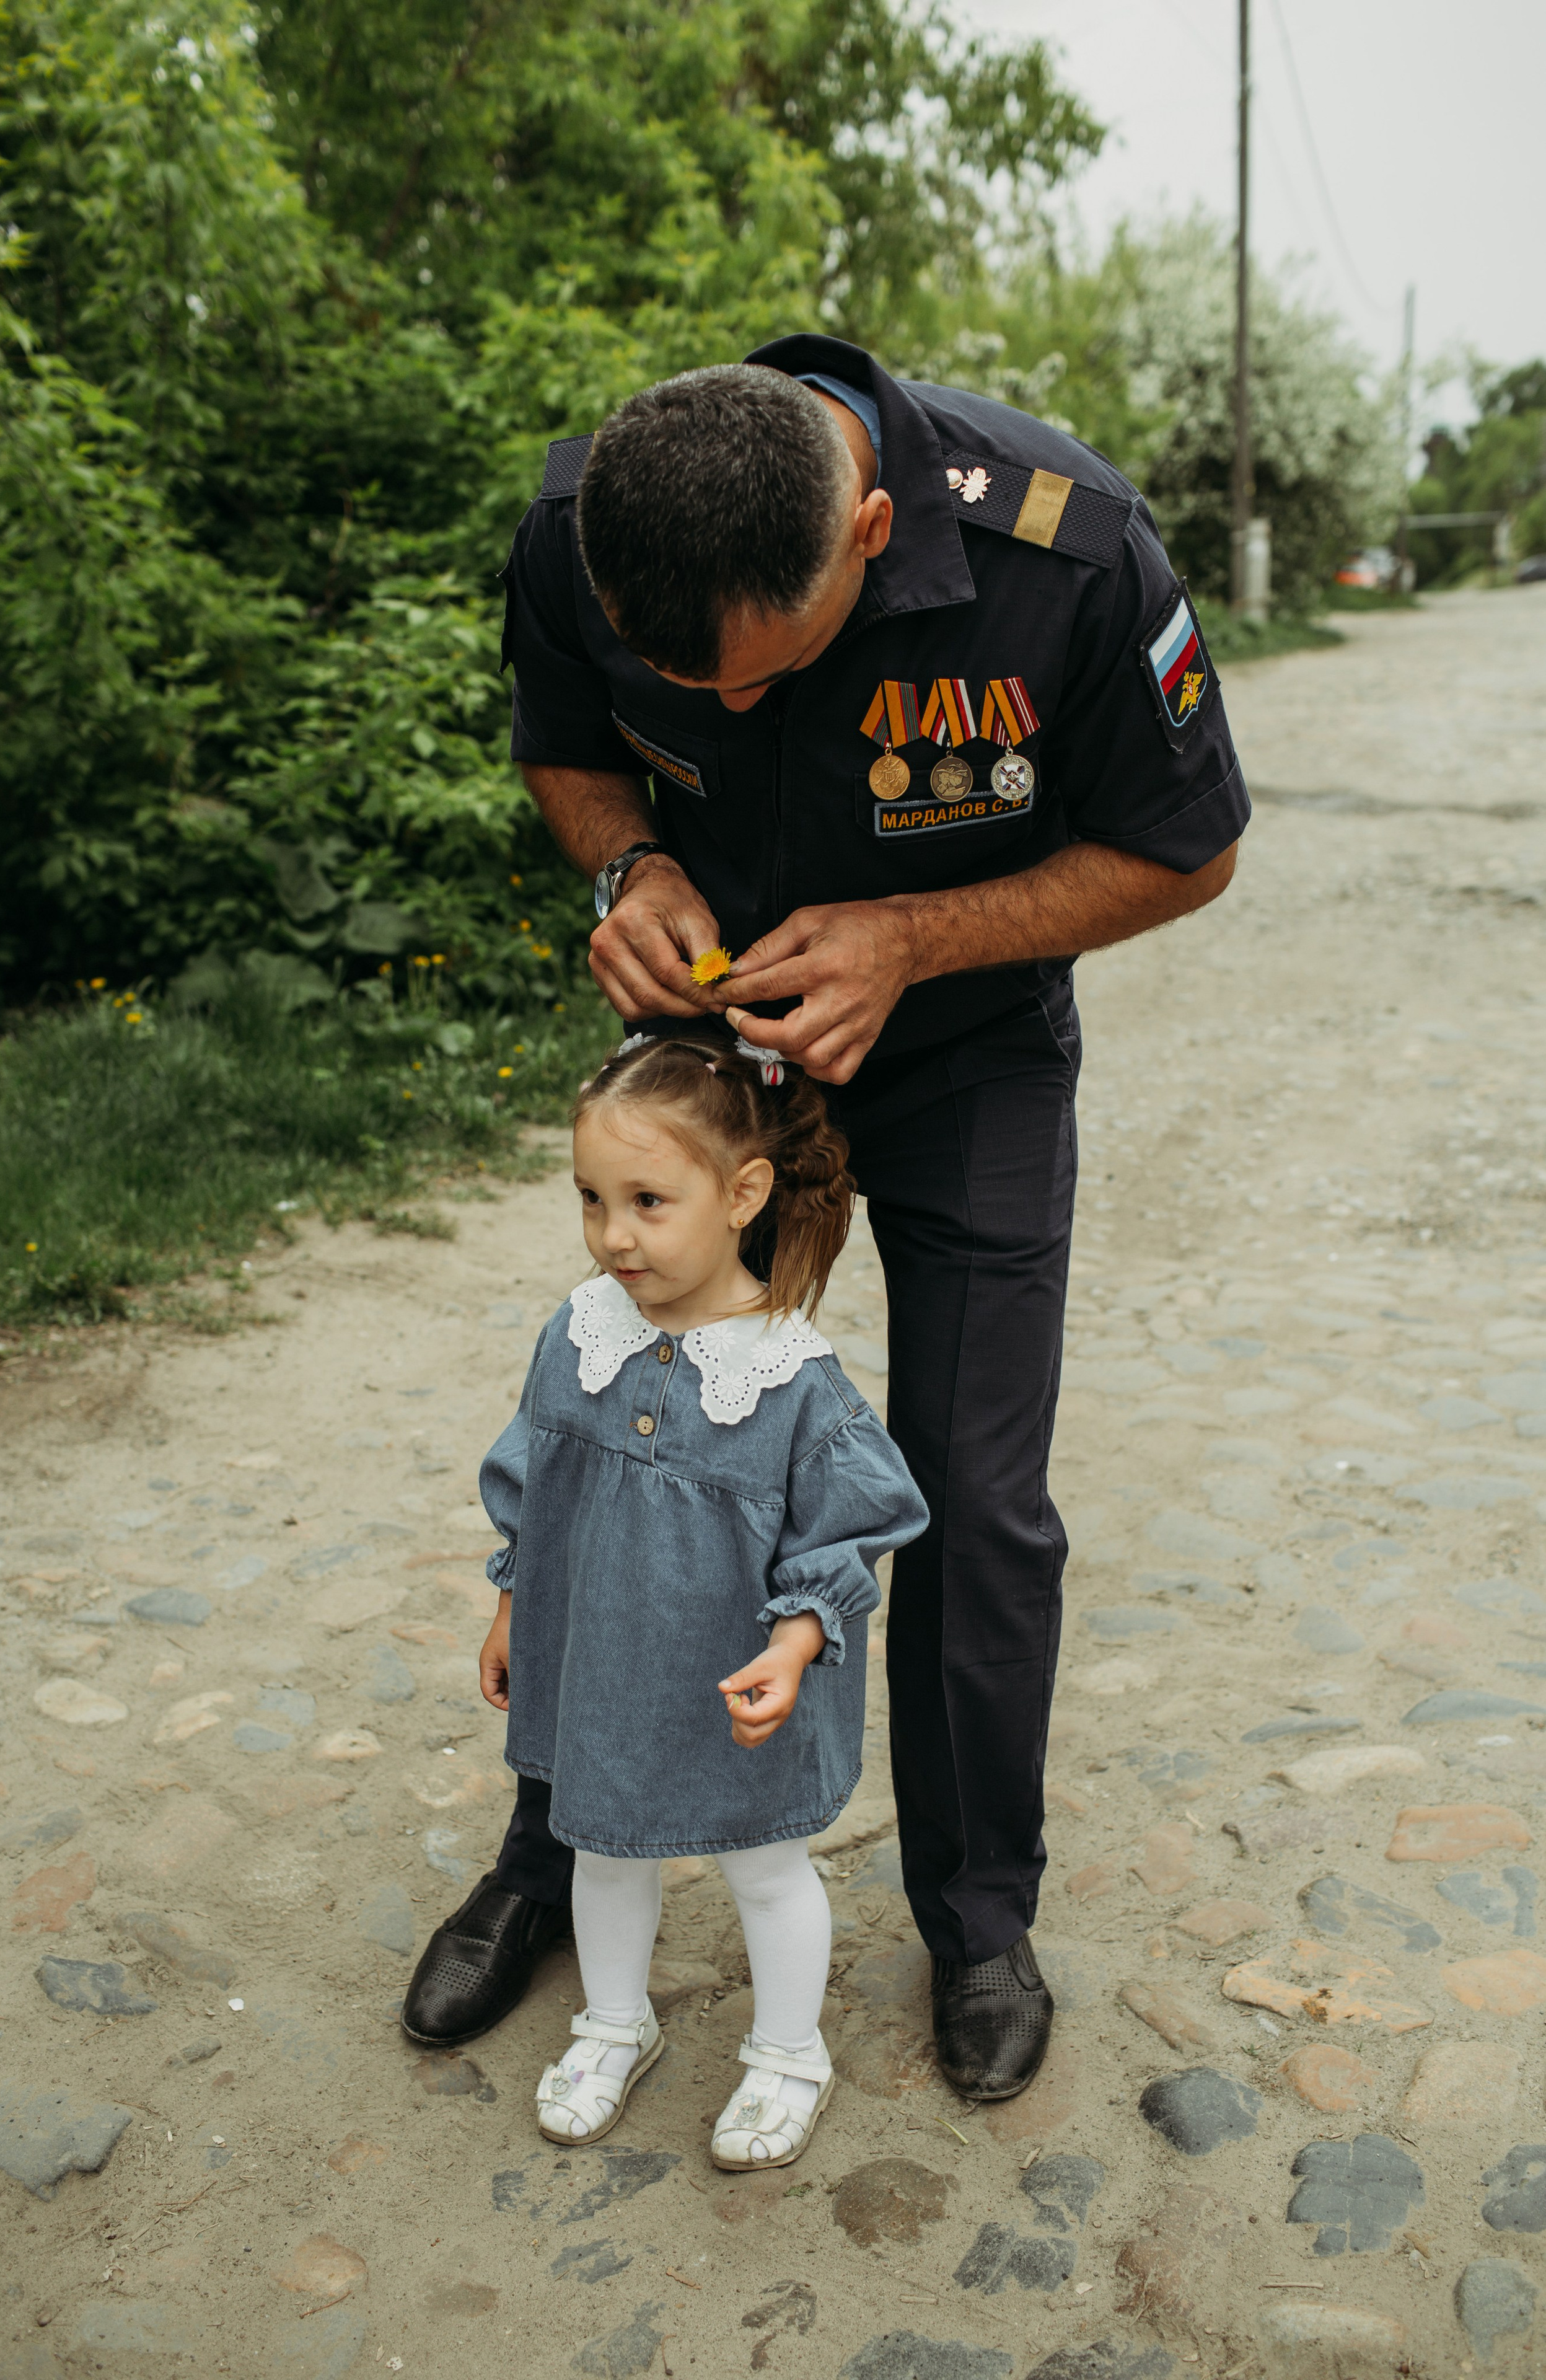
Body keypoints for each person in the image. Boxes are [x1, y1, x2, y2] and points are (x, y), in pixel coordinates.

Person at [404, 334, 1247, 2099]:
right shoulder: (581, 526)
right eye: (678, 684)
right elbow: (569, 752)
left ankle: (978, 1916)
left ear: (868, 532)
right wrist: (630, 862)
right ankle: (554, 1852)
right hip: (708, 1056)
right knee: (613, 1447)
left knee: (971, 1495)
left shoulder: (1070, 558)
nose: (717, 719)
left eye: (759, 676)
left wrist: (912, 939)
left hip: (963, 1051)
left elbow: (1188, 847)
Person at [472, 1018, 926, 2166]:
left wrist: (795, 1644)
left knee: (764, 1867)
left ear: (743, 1194)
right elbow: (538, 1482)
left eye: (647, 1202)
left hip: (739, 1678)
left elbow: (853, 1529)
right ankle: (613, 2024)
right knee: (604, 1845)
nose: (613, 1235)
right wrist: (514, 1602)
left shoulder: (789, 1379)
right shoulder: (581, 1332)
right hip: (604, 1663)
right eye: (591, 1200)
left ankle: (789, 2054)